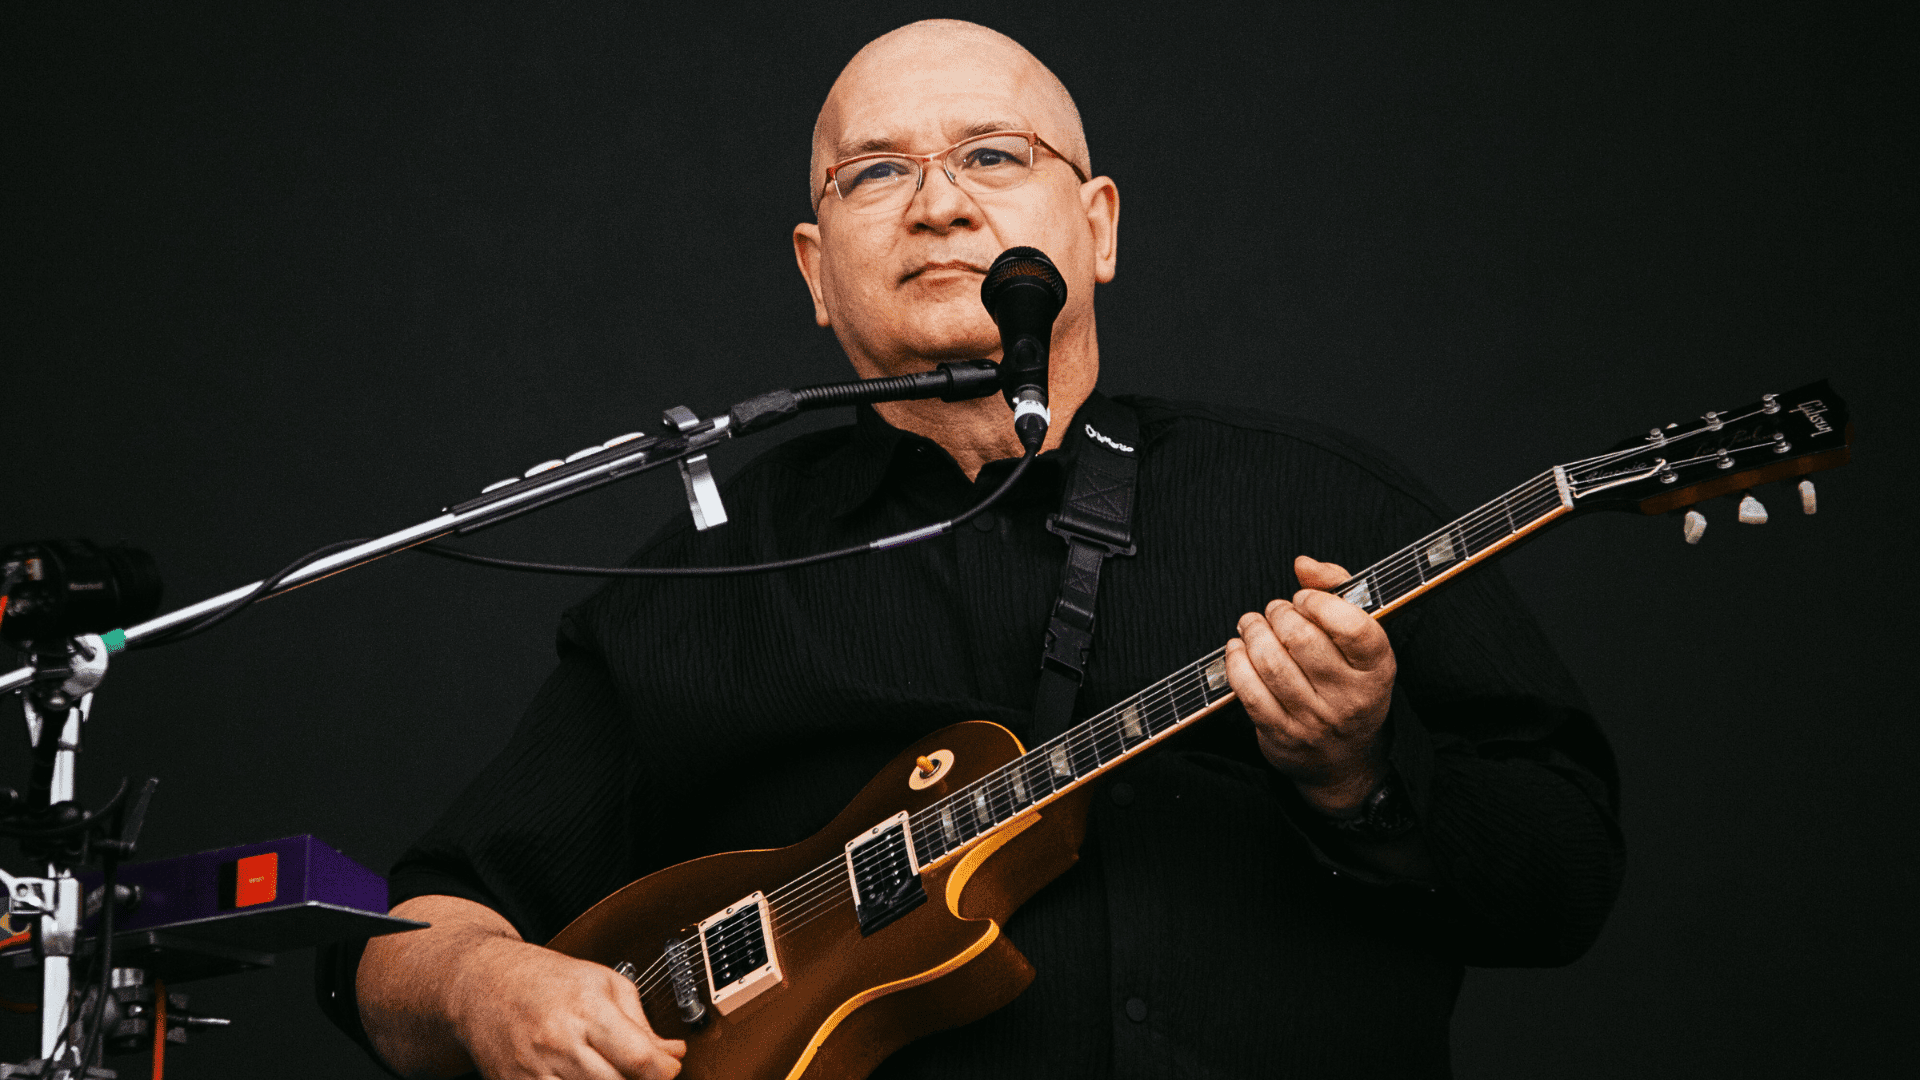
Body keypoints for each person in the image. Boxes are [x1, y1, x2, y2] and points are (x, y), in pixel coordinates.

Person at [325, 20, 1623, 1080]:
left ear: (1098, 226)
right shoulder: (706, 580)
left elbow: (1564, 891)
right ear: (815, 269)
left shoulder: (1319, 504)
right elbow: (408, 932)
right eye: (876, 173)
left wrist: (1360, 772)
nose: (939, 205)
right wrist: (483, 985)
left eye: (994, 157)